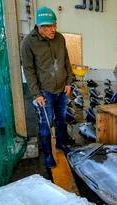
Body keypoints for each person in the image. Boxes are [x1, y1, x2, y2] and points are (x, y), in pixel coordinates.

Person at [21, 6, 73, 169]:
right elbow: (28, 71)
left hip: (62, 89)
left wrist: (69, 82)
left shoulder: (60, 38)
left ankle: (61, 144)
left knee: (62, 120)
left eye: (55, 25)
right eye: (49, 26)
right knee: (45, 125)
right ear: (39, 26)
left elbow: (66, 61)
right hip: (45, 92)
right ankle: (48, 155)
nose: (53, 29)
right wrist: (36, 94)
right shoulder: (28, 43)